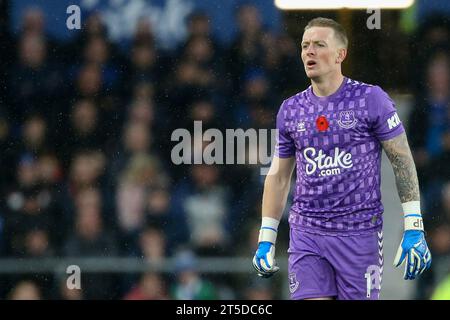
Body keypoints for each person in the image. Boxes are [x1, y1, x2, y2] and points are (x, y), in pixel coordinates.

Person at [252, 17, 432, 300]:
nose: (309, 52)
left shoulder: (371, 99)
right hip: (307, 233)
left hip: (359, 234)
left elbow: (401, 159)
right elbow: (279, 175)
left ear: (340, 55)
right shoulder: (290, 110)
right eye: (304, 46)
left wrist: (413, 224)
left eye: (319, 45)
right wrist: (266, 237)